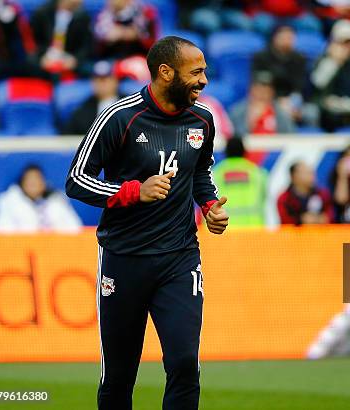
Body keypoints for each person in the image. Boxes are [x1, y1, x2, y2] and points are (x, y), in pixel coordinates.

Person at [65, 36, 229, 409]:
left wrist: (209, 206)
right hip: (125, 259)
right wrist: (132, 191)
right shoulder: (119, 117)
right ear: (166, 72)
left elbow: (200, 170)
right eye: (197, 72)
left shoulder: (202, 119)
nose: (204, 81)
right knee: (119, 376)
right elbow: (76, 179)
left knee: (185, 363)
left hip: (180, 257)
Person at [251, 24, 318, 127]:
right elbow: (260, 84)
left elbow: (302, 86)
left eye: (290, 37)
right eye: (284, 37)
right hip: (270, 100)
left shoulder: (299, 58)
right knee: (280, 112)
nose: (287, 40)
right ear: (275, 37)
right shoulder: (262, 57)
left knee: (312, 112)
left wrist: (294, 103)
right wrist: (277, 101)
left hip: (293, 100)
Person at [0, 164, 82, 232]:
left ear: (43, 183)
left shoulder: (57, 201)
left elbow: (75, 228)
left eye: (37, 179)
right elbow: (1, 231)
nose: (33, 183)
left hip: (54, 251)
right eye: (30, 180)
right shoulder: (8, 202)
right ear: (22, 183)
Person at [30, 0, 93, 79]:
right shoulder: (42, 13)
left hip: (71, 57)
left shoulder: (83, 16)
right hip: (46, 56)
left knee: (91, 69)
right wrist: (43, 57)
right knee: (29, 65)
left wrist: (75, 60)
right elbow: (34, 41)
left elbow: (86, 46)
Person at [213, 137, 267, 227]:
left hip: (222, 231)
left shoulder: (214, 175)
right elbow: (265, 198)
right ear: (244, 152)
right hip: (253, 231)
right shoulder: (258, 173)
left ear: (225, 153)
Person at [0, 0, 39, 83]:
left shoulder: (11, 8)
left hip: (17, 58)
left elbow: (25, 34)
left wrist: (30, 51)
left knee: (33, 66)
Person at [62, 60, 124, 135]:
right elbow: (68, 137)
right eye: (96, 79)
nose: (100, 83)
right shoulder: (83, 110)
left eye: (104, 79)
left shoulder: (130, 105)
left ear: (115, 81)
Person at [229, 72, 295, 135]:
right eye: (259, 90)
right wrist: (251, 121)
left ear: (272, 92)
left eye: (266, 91)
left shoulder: (280, 111)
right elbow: (232, 135)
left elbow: (289, 135)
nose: (262, 94)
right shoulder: (238, 110)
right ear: (251, 90)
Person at [94, 0, 158, 60]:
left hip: (139, 56)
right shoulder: (104, 14)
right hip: (111, 58)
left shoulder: (144, 11)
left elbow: (147, 38)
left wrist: (123, 33)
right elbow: (101, 38)